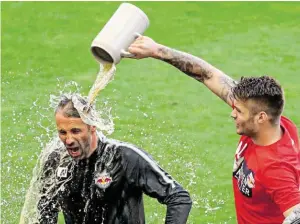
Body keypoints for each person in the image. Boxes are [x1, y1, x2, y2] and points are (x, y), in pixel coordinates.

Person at [128, 36, 300, 224]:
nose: (232, 114)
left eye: (239, 111)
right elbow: (207, 74)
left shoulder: (276, 169)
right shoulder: (269, 122)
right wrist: (157, 50)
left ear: (261, 117)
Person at [35, 94, 192, 224]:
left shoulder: (124, 157)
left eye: (76, 131)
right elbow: (46, 208)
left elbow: (178, 198)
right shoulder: (56, 161)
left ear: (93, 126)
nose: (68, 140)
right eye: (62, 132)